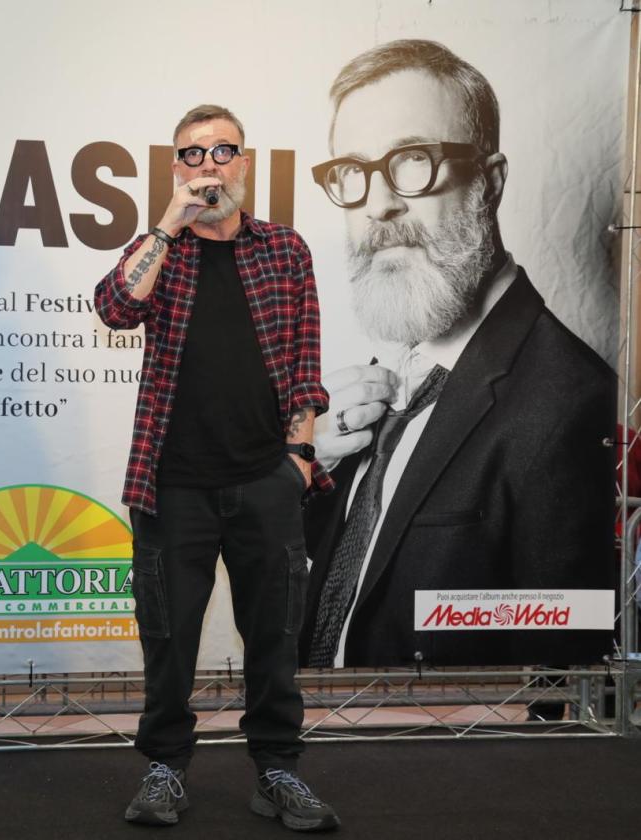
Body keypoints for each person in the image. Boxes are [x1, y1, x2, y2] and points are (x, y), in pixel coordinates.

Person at [301, 39, 615, 668]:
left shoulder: (571, 402)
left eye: (413, 160)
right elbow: (364, 569)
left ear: (489, 182)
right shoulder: (391, 373)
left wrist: (445, 611)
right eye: (354, 171)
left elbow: (565, 663)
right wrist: (311, 470)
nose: (378, 204)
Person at [95, 104, 339, 833]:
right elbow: (115, 308)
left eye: (223, 150)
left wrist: (299, 458)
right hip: (171, 485)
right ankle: (166, 768)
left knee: (274, 640)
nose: (209, 165)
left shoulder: (284, 250)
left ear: (245, 163)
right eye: (193, 154)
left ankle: (278, 770)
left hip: (267, 480)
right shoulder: (160, 249)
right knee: (168, 640)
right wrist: (168, 225)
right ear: (177, 169)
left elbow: (305, 364)